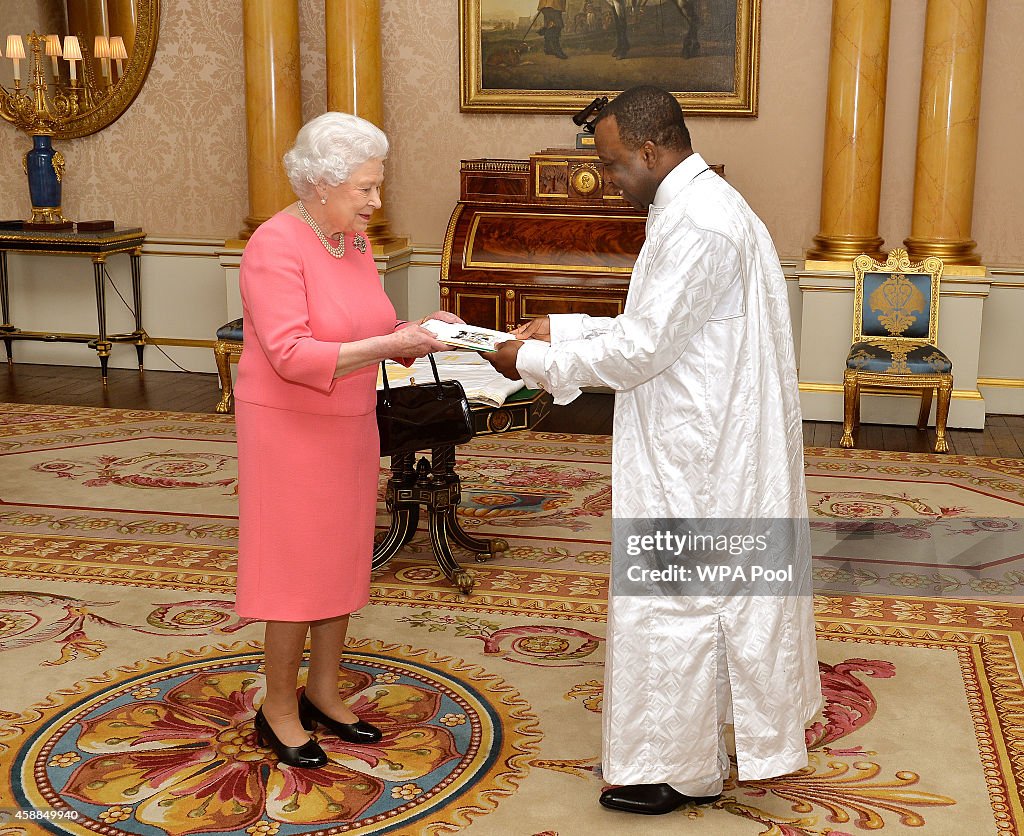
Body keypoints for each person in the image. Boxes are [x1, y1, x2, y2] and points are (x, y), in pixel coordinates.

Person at [483, 86, 821, 814]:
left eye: (612, 166)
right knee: (696, 593)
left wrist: (529, 362)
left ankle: (680, 769)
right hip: (704, 429)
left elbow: (643, 348)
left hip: (699, 450)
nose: (610, 180)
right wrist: (564, 331)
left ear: (647, 150)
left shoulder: (697, 221)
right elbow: (662, 322)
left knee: (679, 598)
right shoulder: (696, 205)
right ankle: (694, 750)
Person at [233, 112, 458, 769]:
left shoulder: (352, 245)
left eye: (376, 186)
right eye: (365, 188)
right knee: (293, 567)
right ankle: (277, 707)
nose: (375, 202)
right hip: (289, 429)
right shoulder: (274, 245)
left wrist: (420, 330)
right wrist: (392, 344)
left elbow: (370, 328)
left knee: (338, 559)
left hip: (349, 422)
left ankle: (324, 691)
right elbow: (292, 353)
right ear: (321, 185)